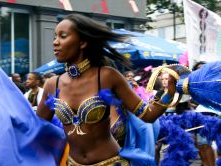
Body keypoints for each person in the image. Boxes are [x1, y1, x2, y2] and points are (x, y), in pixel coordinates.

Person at [36, 14, 177, 165]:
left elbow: (147, 115)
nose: (55, 42)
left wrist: (169, 93)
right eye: (55, 36)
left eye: (63, 36)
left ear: (82, 42)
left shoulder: (107, 76)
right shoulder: (53, 84)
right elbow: (36, 127)